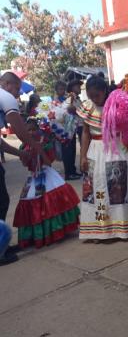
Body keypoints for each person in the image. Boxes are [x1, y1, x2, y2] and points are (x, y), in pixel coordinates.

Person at [77, 75, 128, 241]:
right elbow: (85, 133)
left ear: (104, 91)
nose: (93, 99)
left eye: (96, 95)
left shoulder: (117, 105)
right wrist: (82, 156)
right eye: (90, 96)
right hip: (94, 152)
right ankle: (99, 229)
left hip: (115, 150)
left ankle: (122, 228)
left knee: (118, 189)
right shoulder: (88, 107)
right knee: (96, 189)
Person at [13, 117, 80, 248]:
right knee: (30, 201)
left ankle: (56, 231)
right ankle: (39, 234)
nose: (31, 133)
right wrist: (26, 154)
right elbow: (24, 163)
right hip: (33, 176)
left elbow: (49, 162)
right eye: (28, 131)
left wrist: (40, 150)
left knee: (51, 203)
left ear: (39, 129)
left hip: (47, 173)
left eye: (33, 129)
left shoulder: (46, 142)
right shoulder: (24, 145)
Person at [0, 72, 41, 265]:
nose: (17, 95)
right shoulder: (5, 96)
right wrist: (36, 146)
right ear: (7, 84)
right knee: (1, 201)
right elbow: (19, 129)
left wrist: (21, 154)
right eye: (16, 89)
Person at [61, 80, 83, 180]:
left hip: (75, 127)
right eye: (77, 86)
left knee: (72, 149)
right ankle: (69, 173)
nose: (79, 87)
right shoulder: (70, 98)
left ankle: (72, 171)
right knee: (69, 150)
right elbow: (68, 109)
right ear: (72, 87)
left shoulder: (77, 98)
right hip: (69, 128)